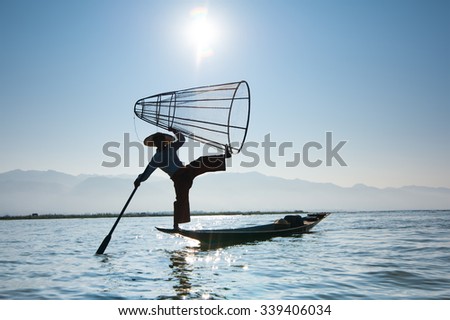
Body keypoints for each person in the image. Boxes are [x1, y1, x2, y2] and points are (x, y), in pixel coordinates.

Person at [134, 128, 231, 229]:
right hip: (178, 179)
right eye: (157, 141)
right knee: (180, 200)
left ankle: (224, 157)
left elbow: (181, 140)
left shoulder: (171, 147)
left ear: (164, 141)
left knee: (201, 161)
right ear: (155, 143)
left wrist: (174, 131)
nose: (160, 142)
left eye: (161, 140)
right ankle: (176, 225)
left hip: (186, 171)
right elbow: (146, 173)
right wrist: (138, 180)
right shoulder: (156, 159)